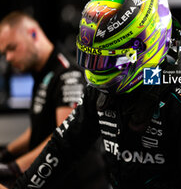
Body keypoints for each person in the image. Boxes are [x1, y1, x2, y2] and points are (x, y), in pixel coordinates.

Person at [1, 0, 181, 189]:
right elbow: (64, 146)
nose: (98, 69)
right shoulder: (101, 89)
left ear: (141, 47)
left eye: (107, 59)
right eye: (91, 58)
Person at [0, 11, 108, 189]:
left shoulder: (67, 73)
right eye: (5, 53)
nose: (9, 58)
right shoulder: (41, 72)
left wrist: (15, 168)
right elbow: (39, 127)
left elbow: (63, 138)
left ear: (33, 34)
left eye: (12, 48)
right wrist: (6, 153)